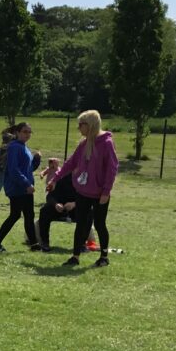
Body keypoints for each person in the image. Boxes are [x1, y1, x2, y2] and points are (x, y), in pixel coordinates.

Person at [55, 110, 118, 268]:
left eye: (81, 125)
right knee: (81, 224)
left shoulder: (106, 143)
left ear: (89, 125)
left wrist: (106, 192)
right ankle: (75, 256)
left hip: (100, 194)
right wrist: (55, 178)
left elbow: (112, 169)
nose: (79, 128)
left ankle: (104, 257)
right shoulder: (84, 144)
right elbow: (71, 163)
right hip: (83, 192)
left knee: (100, 224)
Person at [0, 122, 39, 253]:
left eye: (29, 132)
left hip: (24, 187)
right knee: (16, 215)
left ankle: (34, 244)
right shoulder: (15, 147)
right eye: (25, 132)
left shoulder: (24, 147)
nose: (27, 134)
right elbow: (13, 169)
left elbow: (27, 169)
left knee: (27, 215)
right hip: (18, 187)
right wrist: (26, 184)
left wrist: (36, 161)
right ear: (17, 133)